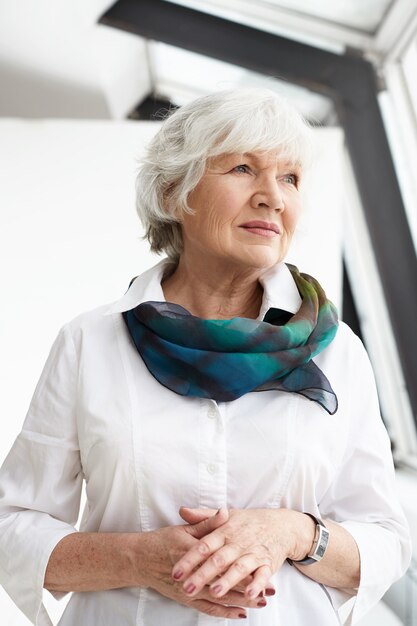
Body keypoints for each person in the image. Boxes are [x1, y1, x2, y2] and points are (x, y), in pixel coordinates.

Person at [0, 88, 411, 626]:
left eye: (289, 177)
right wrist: (139, 560)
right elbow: (13, 526)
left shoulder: (339, 353)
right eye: (243, 168)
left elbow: (385, 538)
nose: (273, 197)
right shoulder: (90, 342)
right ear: (175, 193)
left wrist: (290, 532)